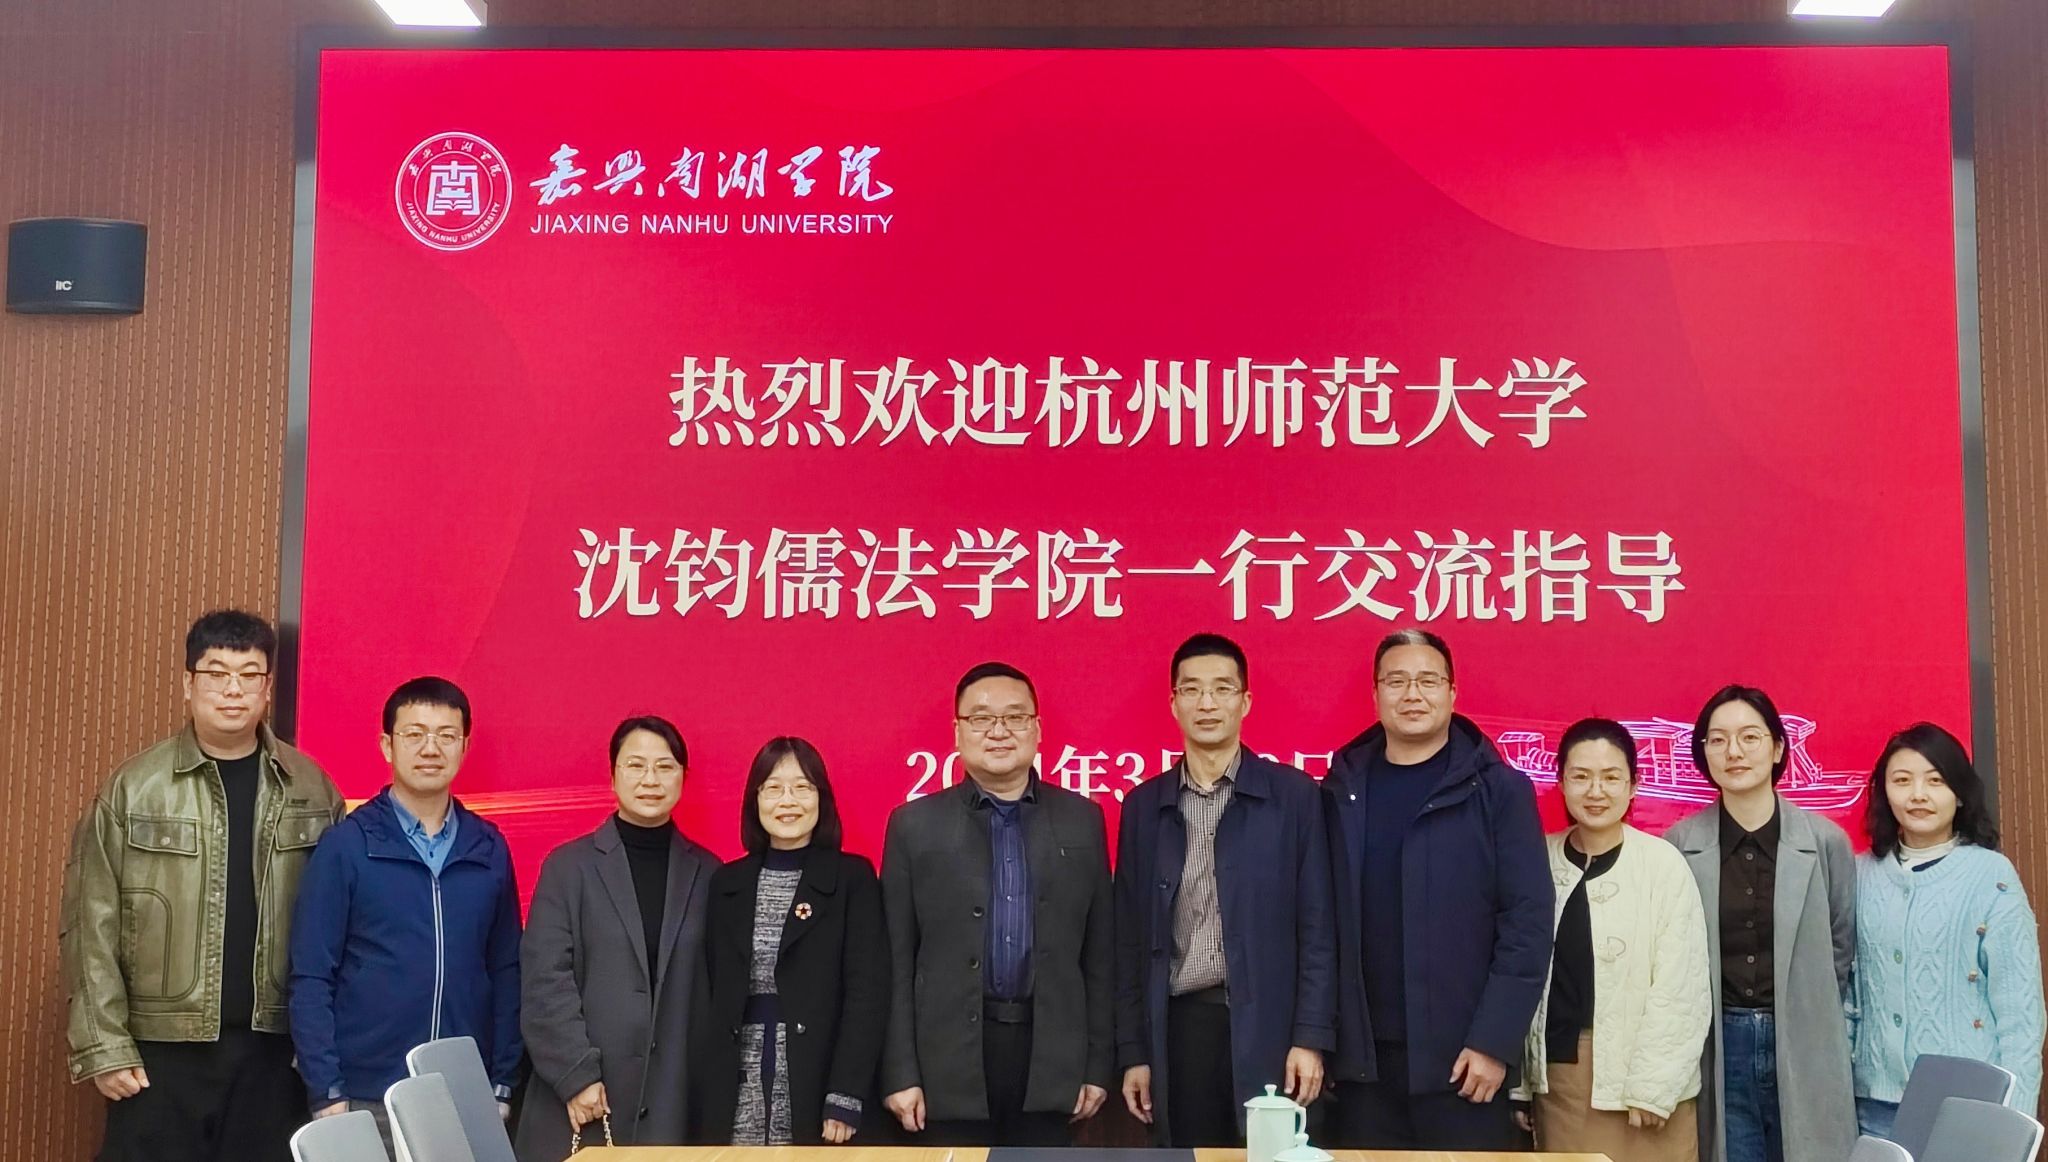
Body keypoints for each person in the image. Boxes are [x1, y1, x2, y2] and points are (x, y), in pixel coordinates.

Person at [61, 610, 344, 1162]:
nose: (233, 690)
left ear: (267, 688)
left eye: (249, 674)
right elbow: (88, 921)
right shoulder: (134, 787)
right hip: (159, 1053)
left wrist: (322, 1049)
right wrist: (105, 1044)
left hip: (275, 1052)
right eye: (217, 673)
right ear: (189, 684)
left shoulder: (312, 788)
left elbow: (340, 929)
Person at [1322, 627, 1552, 1150]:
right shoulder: (1341, 790)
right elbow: (1317, 923)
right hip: (1362, 1070)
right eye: (1397, 681)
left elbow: (1527, 925)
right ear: (1375, 693)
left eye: (1428, 681)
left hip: (1464, 1066)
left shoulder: (1499, 790)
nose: (1413, 694)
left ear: (1452, 692)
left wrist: (1493, 1042)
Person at [1114, 633, 1336, 1145]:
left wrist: (1311, 1037)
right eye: (1191, 690)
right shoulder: (1144, 806)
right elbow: (1127, 939)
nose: (1207, 703)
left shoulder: (1294, 798)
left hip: (1271, 1026)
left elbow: (1319, 928)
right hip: (1179, 1028)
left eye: (1222, 689)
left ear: (1245, 701)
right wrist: (1134, 1051)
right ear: (1174, 703)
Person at [880, 661, 1114, 1145]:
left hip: (1051, 1056)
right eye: (982, 718)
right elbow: (895, 960)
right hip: (946, 1059)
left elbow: (1100, 956)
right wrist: (900, 1071)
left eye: (1015, 717)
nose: (999, 731)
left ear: (1038, 729)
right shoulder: (913, 826)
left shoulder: (1082, 819)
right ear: (958, 731)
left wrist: (1097, 1064)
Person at [289, 677, 522, 1145]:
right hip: (364, 1094)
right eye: (414, 734)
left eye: (446, 735)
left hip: (460, 1093)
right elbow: (311, 975)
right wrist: (327, 1089)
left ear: (464, 746)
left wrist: (502, 1081)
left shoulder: (488, 849)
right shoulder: (348, 846)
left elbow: (507, 971)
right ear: (387, 745)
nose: (430, 748)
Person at [1665, 685, 1856, 1162]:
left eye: (1750, 737)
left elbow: (1841, 948)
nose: (1734, 751)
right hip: (1720, 1042)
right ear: (1703, 753)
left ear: (1777, 748)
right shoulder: (1677, 846)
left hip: (1805, 1035)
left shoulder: (1826, 843)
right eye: (1718, 740)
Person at [515, 716, 720, 1161]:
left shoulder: (710, 874)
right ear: (613, 775)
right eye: (636, 765)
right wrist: (576, 1076)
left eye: (664, 767)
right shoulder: (568, 867)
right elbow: (545, 981)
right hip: (583, 1102)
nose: (651, 780)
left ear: (683, 777)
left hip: (672, 1106)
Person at [1511, 718, 1712, 1161]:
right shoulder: (1538, 859)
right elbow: (1517, 972)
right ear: (1561, 782)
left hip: (1643, 1088)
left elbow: (1682, 984)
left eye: (1610, 777)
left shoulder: (1662, 865)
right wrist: (1521, 1083)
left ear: (1633, 785)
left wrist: (1654, 1086)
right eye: (1581, 776)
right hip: (1560, 1081)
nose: (1595, 791)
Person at [1852, 722, 2043, 1139]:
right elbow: (1847, 995)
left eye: (1935, 781)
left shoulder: (1991, 876)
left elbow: (2020, 1014)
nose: (1918, 794)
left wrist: (2013, 1123)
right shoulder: (1858, 874)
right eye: (1902, 780)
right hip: (1874, 1106)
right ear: (1884, 792)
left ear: (1959, 794)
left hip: (1969, 1102)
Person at [697, 737, 889, 1145]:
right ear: (755, 800)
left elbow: (867, 995)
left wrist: (845, 1094)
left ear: (822, 799)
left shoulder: (852, 879)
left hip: (816, 1076)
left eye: (802, 787)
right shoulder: (725, 883)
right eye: (774, 788)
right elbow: (712, 991)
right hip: (736, 1079)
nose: (788, 801)